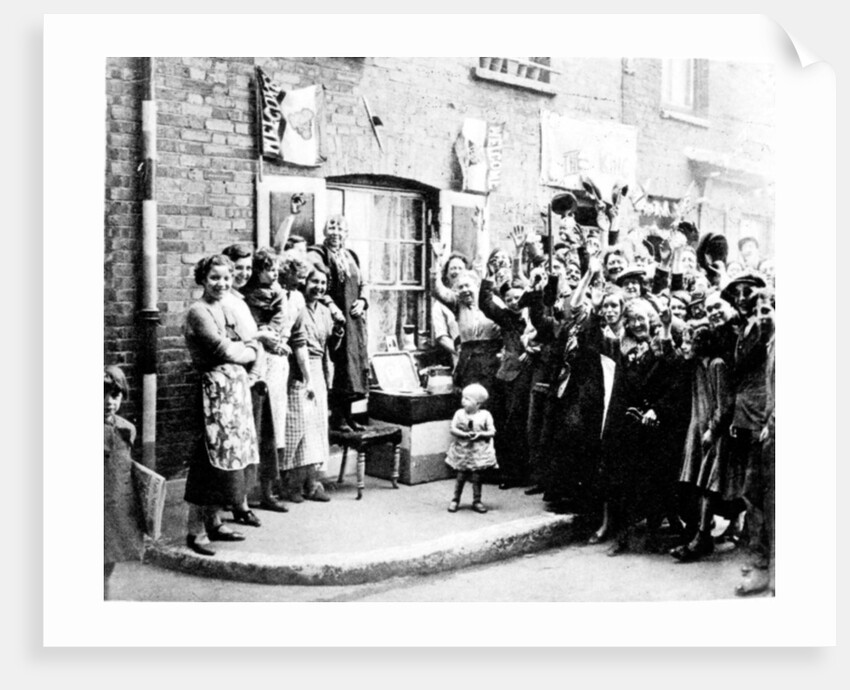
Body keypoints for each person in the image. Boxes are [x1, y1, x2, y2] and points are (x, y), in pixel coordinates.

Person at [183, 255, 261, 556]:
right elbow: (224, 348)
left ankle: (214, 522)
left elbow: (247, 343)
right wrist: (248, 350)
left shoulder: (225, 308)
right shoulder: (198, 311)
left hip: (233, 397)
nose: (222, 284)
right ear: (203, 279)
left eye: (227, 278)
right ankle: (196, 530)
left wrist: (248, 347)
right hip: (212, 395)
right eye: (215, 278)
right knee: (207, 460)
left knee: (227, 461)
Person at [279, 264, 344, 503]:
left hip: (319, 368)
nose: (318, 287)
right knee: (298, 427)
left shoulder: (325, 311)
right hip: (298, 369)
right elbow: (296, 343)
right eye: (314, 282)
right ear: (305, 283)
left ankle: (312, 483)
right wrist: (305, 377)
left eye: (323, 284)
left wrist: (337, 332)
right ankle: (290, 484)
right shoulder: (297, 306)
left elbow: (330, 346)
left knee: (316, 427)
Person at [308, 215, 369, 432]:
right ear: (325, 230)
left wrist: (363, 300)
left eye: (340, 228)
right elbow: (314, 281)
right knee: (338, 364)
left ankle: (350, 416)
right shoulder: (319, 254)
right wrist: (331, 305)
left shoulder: (351, 255)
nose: (336, 231)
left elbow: (364, 283)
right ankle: (338, 418)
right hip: (333, 318)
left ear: (347, 232)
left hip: (354, 320)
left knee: (353, 366)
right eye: (331, 226)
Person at [104, 365, 145, 598]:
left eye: (115, 395)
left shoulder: (126, 429)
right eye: (102, 394)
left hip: (114, 507)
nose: (109, 401)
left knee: (108, 564)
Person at [445, 383, 497, 514]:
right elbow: (452, 428)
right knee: (461, 476)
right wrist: (463, 434)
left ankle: (477, 500)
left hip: (478, 451)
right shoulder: (459, 414)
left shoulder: (485, 415)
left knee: (477, 477)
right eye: (463, 398)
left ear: (478, 404)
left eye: (468, 399)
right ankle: (455, 499)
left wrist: (480, 434)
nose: (463, 401)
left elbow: (492, 432)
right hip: (463, 450)